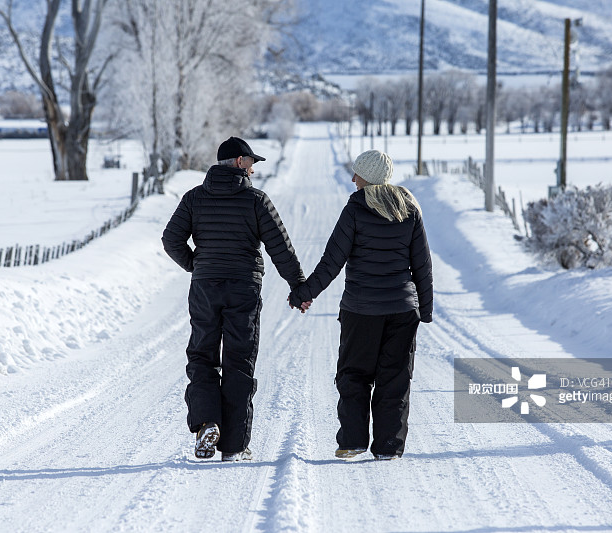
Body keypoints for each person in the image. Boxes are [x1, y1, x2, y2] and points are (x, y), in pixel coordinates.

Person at [162, 136, 306, 461]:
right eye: (251, 162)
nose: (254, 169)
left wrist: (197, 264)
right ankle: (234, 446)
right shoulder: (256, 201)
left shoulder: (194, 198)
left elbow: (171, 239)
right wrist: (298, 284)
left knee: (202, 356)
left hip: (204, 288)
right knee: (238, 361)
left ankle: (207, 422)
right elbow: (279, 247)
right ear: (240, 162)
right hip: (243, 287)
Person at [288, 149, 433, 460]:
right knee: (394, 380)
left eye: (358, 174)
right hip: (402, 311)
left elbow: (332, 260)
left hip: (362, 310)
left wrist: (305, 293)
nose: (353, 178)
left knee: (354, 375)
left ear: (369, 177)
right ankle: (388, 448)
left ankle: (353, 441)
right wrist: (426, 309)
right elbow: (422, 264)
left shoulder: (356, 208)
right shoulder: (409, 209)